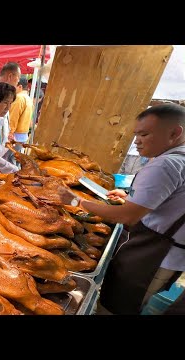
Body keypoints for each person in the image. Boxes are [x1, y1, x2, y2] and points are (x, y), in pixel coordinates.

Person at [57, 103, 185, 315]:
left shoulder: (166, 165)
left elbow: (127, 217)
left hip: (152, 257)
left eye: (144, 134)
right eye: (136, 134)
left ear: (174, 132)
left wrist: (76, 201)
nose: (136, 141)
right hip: (168, 257)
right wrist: (132, 198)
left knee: (116, 307)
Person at [8, 76, 33, 144]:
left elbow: (13, 117)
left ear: (20, 87)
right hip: (23, 134)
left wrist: (10, 132)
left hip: (16, 135)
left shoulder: (19, 98)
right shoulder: (28, 98)